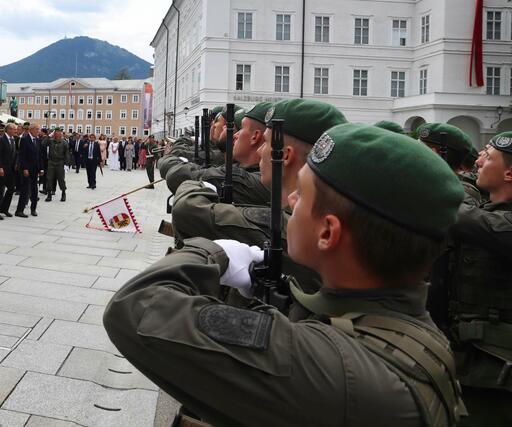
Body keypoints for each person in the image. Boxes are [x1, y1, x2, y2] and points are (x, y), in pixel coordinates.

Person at [103, 123, 467, 427]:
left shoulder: (339, 369)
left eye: (303, 196)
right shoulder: (408, 332)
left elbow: (133, 307)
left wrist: (214, 254)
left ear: (328, 232)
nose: (290, 203)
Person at [171, 99, 347, 293]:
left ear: (285, 155)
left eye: (267, 142)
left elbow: (187, 207)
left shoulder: (299, 230)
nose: (261, 150)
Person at [428, 131, 512, 426]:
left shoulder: (493, 221)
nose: (477, 160)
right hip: (467, 361)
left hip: (495, 371)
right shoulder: (484, 211)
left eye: (488, 157)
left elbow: (462, 217)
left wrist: (438, 178)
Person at [160, 103, 272, 206]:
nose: (213, 126)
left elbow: (176, 173)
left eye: (228, 126)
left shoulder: (256, 181)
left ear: (255, 137)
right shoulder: (238, 167)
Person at [15, 123, 43, 217]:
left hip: (35, 170)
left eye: (38, 129)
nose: (38, 131)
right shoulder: (24, 140)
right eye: (36, 129)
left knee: (35, 190)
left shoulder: (38, 140)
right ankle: (19, 210)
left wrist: (41, 168)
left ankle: (33, 209)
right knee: (25, 190)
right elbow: (22, 156)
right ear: (31, 130)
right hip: (27, 170)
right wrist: (25, 168)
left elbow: (40, 156)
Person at [0, 123, 17, 219]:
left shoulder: (12, 140)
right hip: (1, 169)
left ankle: (4, 209)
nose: (16, 131)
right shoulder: (1, 140)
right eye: (14, 129)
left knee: (11, 188)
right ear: (9, 130)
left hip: (9, 170)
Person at [44, 128, 69, 202]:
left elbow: (67, 154)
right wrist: (49, 136)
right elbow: (43, 143)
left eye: (58, 133)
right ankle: (49, 194)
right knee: (49, 178)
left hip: (60, 162)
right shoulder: (51, 141)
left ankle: (63, 193)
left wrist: (66, 164)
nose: (57, 134)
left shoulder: (64, 143)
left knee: (61, 179)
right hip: (51, 162)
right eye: (55, 133)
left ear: (61, 134)